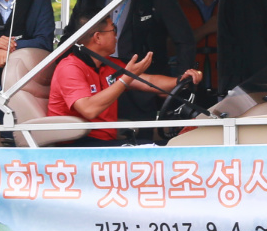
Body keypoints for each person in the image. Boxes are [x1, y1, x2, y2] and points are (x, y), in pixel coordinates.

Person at [67, 0, 196, 128]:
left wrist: (178, 84)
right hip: (98, 87)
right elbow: (70, 38)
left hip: (143, 89)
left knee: (141, 145)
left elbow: (184, 40)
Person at [47, 15, 197, 146]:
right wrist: (125, 79)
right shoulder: (70, 67)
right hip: (78, 145)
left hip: (103, 143)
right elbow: (89, 110)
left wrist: (181, 80)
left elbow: (150, 81)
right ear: (98, 37)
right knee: (156, 151)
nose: (116, 37)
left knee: (167, 146)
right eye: (114, 30)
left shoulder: (108, 64)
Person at [178, 0, 231, 96]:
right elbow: (167, 48)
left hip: (225, 87)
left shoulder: (232, 5)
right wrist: (207, 28)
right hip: (187, 88)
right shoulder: (176, 5)